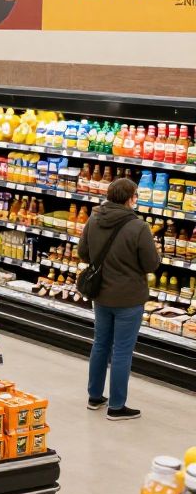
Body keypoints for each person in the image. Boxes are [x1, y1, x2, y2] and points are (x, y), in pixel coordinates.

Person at [79, 177, 159, 421]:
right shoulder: (138, 227)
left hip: (101, 294)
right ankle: (116, 406)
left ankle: (94, 396)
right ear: (129, 198)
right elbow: (151, 264)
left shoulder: (94, 218)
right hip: (129, 298)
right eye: (135, 195)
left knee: (100, 343)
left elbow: (84, 252)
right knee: (122, 350)